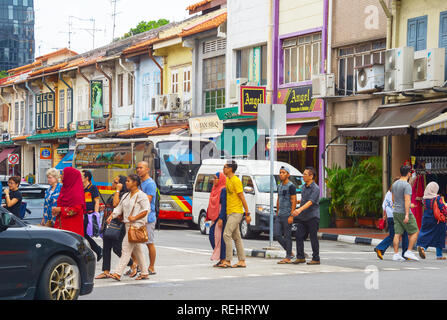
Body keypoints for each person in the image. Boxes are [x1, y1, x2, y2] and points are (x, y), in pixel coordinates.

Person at [107, 174, 150, 281]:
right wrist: (112, 215)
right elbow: (119, 208)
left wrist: (135, 217)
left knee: (125, 249)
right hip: (127, 225)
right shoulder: (126, 195)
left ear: (135, 183)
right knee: (137, 250)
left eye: (128, 181)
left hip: (136, 225)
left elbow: (146, 210)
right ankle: (144, 272)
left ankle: (117, 273)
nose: (126, 183)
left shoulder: (142, 195)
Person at [95, 175, 137, 280]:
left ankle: (132, 264)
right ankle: (106, 271)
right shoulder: (115, 193)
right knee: (106, 247)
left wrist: (118, 191)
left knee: (117, 248)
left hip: (118, 224)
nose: (114, 184)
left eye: (116, 182)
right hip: (109, 223)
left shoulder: (124, 194)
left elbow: (115, 205)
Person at [219, 161, 251, 269]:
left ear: (230, 169)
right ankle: (242, 261)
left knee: (226, 234)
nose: (223, 169)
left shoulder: (236, 181)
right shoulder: (228, 180)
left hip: (236, 212)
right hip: (230, 212)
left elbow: (242, 197)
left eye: (225, 167)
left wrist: (247, 213)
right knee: (236, 237)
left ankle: (228, 260)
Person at [374, 178, 409, 260]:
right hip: (398, 217)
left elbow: (384, 206)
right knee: (404, 234)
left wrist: (384, 216)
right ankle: (405, 253)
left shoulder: (388, 193)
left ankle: (380, 248)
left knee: (392, 235)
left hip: (390, 217)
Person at [292, 167, 320, 265]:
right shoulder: (303, 187)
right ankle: (300, 257)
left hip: (312, 216)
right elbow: (304, 200)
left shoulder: (316, 188)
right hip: (303, 217)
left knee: (313, 238)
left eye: (305, 174)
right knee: (298, 236)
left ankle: (316, 258)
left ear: (311, 176)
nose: (303, 176)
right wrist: (296, 202)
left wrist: (299, 209)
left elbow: (310, 202)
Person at [391, 165, 420, 261]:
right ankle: (409, 251)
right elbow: (407, 200)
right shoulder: (407, 185)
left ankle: (395, 254)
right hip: (404, 212)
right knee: (415, 231)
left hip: (396, 211)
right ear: (408, 173)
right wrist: (407, 214)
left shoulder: (395, 184)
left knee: (397, 233)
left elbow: (393, 199)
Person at [136, 161, 157, 276]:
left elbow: (147, 201)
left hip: (148, 218)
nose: (139, 170)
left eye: (141, 168)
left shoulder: (150, 184)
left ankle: (152, 267)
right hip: (138, 218)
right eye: (137, 168)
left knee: (149, 243)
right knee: (134, 243)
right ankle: (137, 265)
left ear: (147, 169)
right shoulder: (139, 183)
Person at [417, 182, 447, 260]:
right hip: (436, 220)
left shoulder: (424, 198)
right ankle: (439, 255)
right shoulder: (437, 198)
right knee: (440, 235)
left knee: (428, 234)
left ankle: (423, 248)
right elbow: (442, 208)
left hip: (426, 218)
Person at [52, 167, 85, 237]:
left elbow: (76, 209)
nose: (61, 176)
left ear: (70, 177)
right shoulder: (65, 189)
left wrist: (60, 209)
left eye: (63, 174)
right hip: (61, 224)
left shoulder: (76, 192)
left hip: (71, 227)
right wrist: (56, 210)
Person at [275, 166, 297, 264]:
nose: (281, 174)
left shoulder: (291, 186)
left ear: (288, 174)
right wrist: (277, 212)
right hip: (279, 214)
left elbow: (294, 200)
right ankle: (290, 252)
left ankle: (288, 256)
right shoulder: (279, 185)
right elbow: (278, 199)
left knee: (287, 236)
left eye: (283, 172)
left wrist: (291, 215)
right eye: (280, 172)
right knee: (277, 235)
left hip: (287, 214)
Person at [206, 172, 227, 267]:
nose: (214, 180)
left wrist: (221, 218)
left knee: (220, 239)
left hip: (220, 217)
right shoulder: (214, 189)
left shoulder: (223, 190)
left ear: (220, 179)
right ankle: (220, 258)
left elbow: (223, 206)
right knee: (212, 236)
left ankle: (223, 259)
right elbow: (211, 204)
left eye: (216, 178)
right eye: (213, 178)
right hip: (214, 217)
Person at [82, 170, 103, 261]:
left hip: (89, 215)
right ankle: (97, 250)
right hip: (82, 214)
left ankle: (97, 250)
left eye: (82, 176)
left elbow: (97, 201)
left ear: (86, 178)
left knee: (84, 234)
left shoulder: (93, 188)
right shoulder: (80, 188)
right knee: (83, 235)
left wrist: (95, 214)